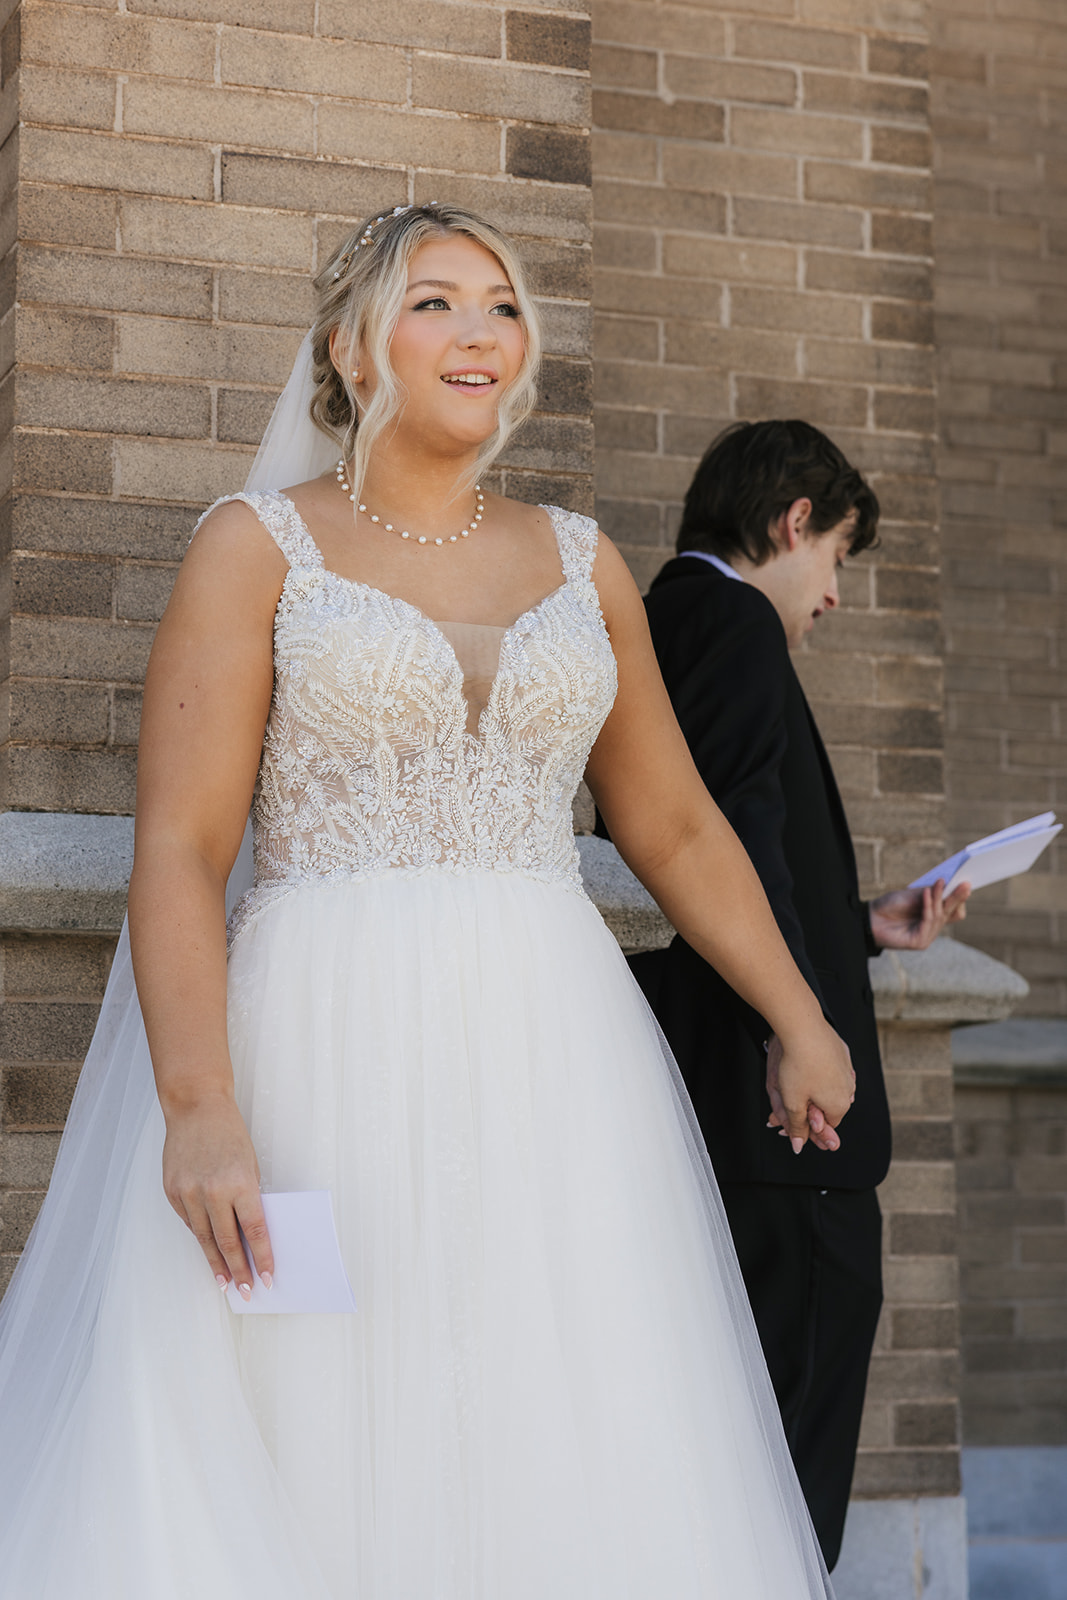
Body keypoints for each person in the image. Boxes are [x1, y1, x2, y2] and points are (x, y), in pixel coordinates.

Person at [0, 207, 853, 1599]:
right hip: (322, 1040)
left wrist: (796, 1013)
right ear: (350, 343)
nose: (478, 334)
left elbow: (675, 823)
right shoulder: (256, 547)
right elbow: (179, 851)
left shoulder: (581, 561)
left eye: (501, 306)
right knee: (329, 1396)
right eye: (435, 302)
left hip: (551, 1050)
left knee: (546, 1390)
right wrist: (201, 1102)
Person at [622, 419, 970, 1570]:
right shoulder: (721, 622)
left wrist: (860, 924)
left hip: (730, 1109)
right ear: (791, 523)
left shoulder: (666, 621)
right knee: (785, 1461)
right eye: (837, 559)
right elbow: (724, 840)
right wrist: (795, 1025)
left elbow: (728, 860)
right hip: (784, 1130)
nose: (833, 595)